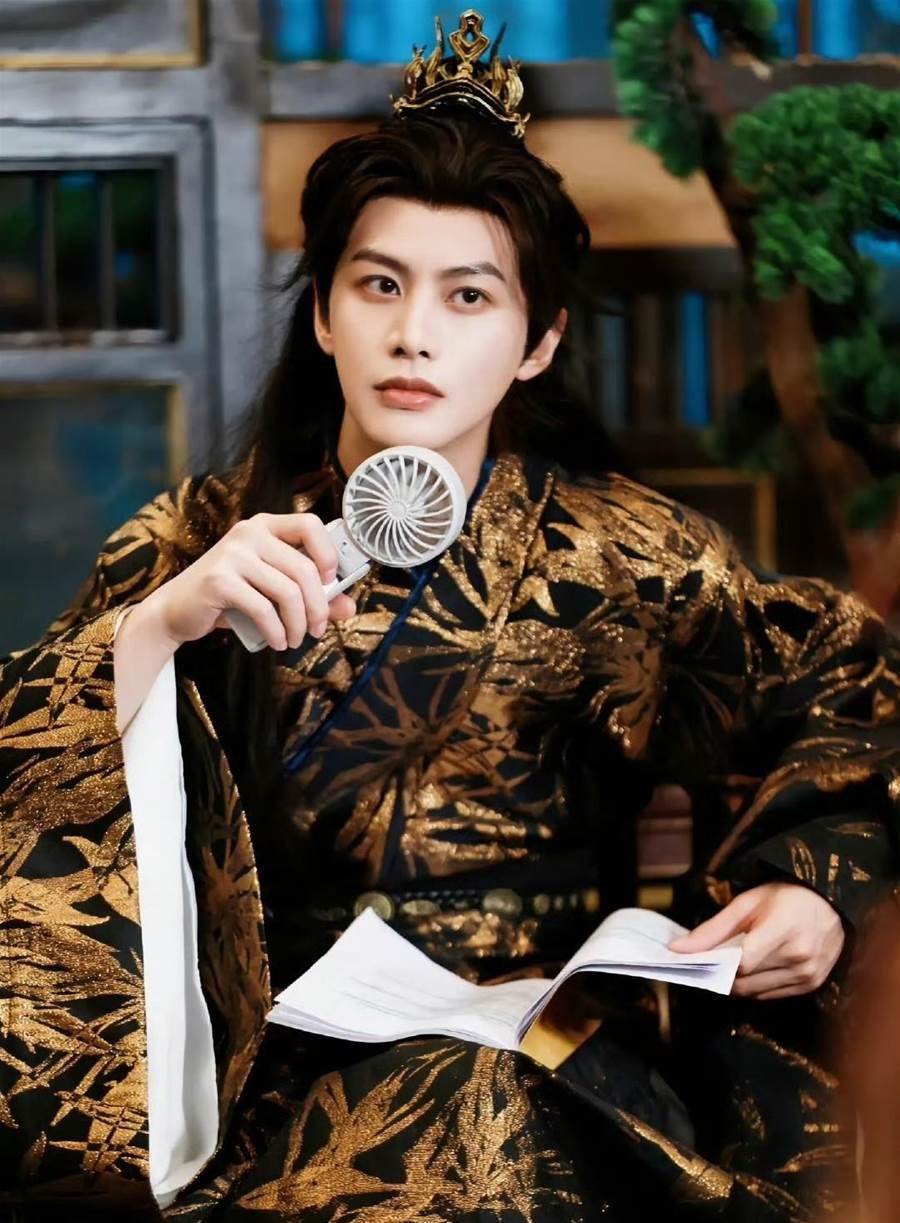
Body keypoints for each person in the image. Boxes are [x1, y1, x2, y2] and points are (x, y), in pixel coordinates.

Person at [1, 10, 898, 1220]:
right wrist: (152, 638)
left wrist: (811, 883)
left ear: (537, 341)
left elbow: (856, 700)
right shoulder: (194, 542)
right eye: (379, 284)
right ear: (325, 314)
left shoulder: (632, 558)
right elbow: (32, 789)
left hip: (554, 1054)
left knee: (480, 1109)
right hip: (273, 1065)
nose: (413, 333)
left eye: (468, 295)